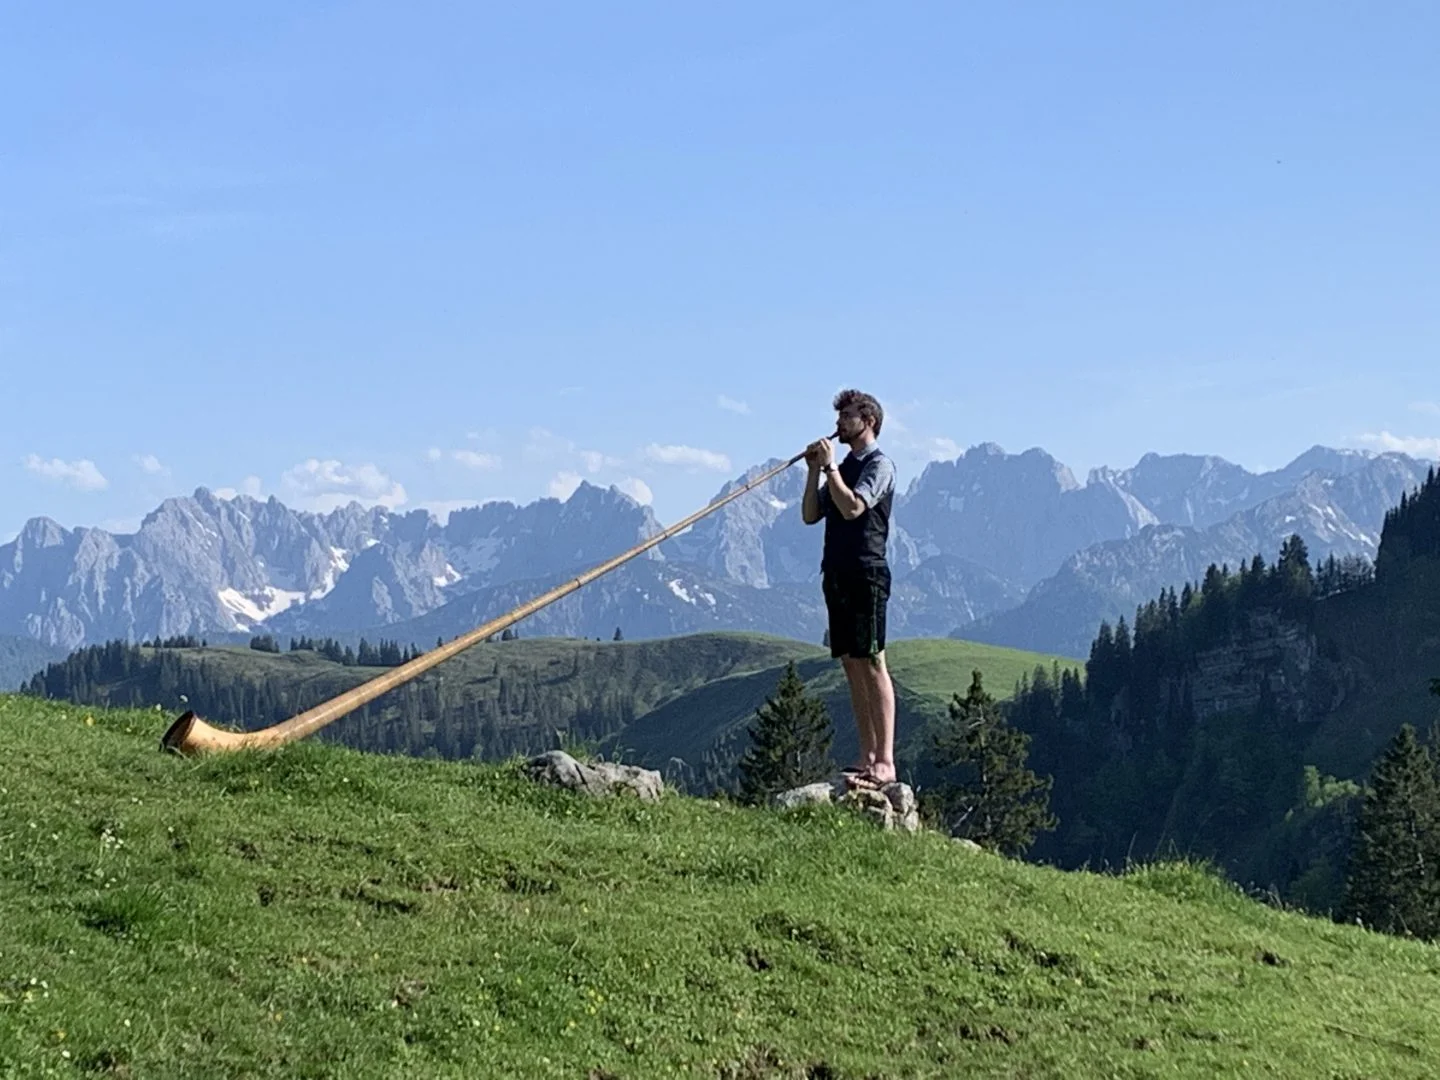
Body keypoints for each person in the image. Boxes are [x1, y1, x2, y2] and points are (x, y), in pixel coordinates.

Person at [801, 389, 898, 787]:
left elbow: (854, 507)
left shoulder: (879, 465)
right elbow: (811, 515)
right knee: (851, 664)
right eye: (839, 417)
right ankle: (866, 754)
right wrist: (813, 471)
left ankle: (886, 760)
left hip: (866, 572)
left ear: (868, 421)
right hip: (837, 572)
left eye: (847, 417)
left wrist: (829, 470)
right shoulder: (841, 467)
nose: (840, 424)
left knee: (873, 661)